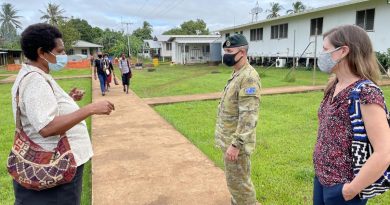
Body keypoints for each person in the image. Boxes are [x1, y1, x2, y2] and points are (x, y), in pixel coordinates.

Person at [10, 23, 115, 205]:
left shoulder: (35, 75)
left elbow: (39, 110)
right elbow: (47, 127)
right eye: (59, 52)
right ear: (42, 52)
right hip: (55, 167)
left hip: (56, 166)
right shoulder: (35, 80)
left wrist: (67, 99)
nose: (63, 56)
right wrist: (90, 109)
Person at [313, 25, 390, 205]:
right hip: (322, 178)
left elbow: (385, 152)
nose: (321, 54)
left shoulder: (366, 92)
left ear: (343, 51)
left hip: (343, 188)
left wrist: (350, 190)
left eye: (325, 49)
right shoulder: (334, 85)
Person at [215, 34, 261, 205]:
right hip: (229, 141)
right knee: (234, 184)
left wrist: (236, 145)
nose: (225, 54)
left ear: (242, 52)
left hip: (236, 145)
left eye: (229, 51)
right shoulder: (238, 74)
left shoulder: (248, 77)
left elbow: (248, 116)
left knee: (241, 186)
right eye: (225, 50)